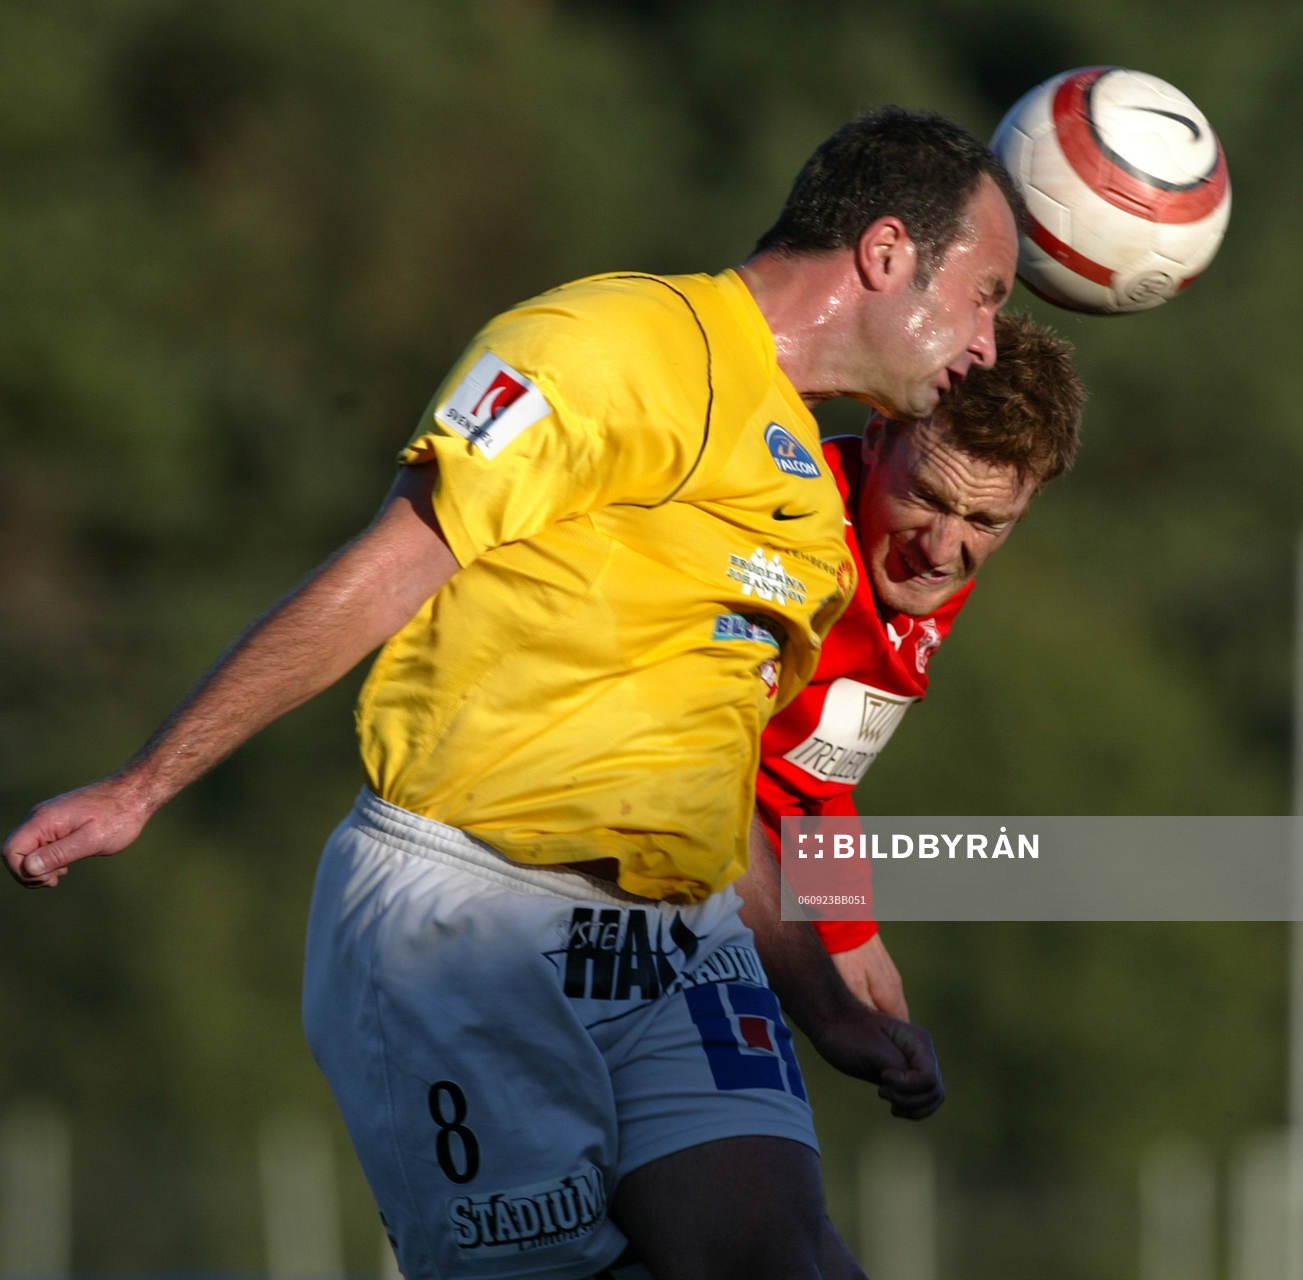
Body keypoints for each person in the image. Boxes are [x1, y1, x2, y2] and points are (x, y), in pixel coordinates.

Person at [5, 107, 1022, 1280]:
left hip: (679, 941)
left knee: (787, 1258)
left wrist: (828, 999)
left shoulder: (800, 477)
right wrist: (146, 781)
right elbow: (389, 565)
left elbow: (712, 769)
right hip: (468, 919)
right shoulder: (609, 339)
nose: (989, 342)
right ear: (887, 254)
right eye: (986, 293)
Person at [753, 310, 1085, 1021]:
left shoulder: (919, 564)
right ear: (877, 437)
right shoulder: (782, 541)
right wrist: (820, 973)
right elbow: (706, 767)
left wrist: (850, 936)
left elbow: (809, 779)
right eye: (927, 499)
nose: (941, 548)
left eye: (984, 522)